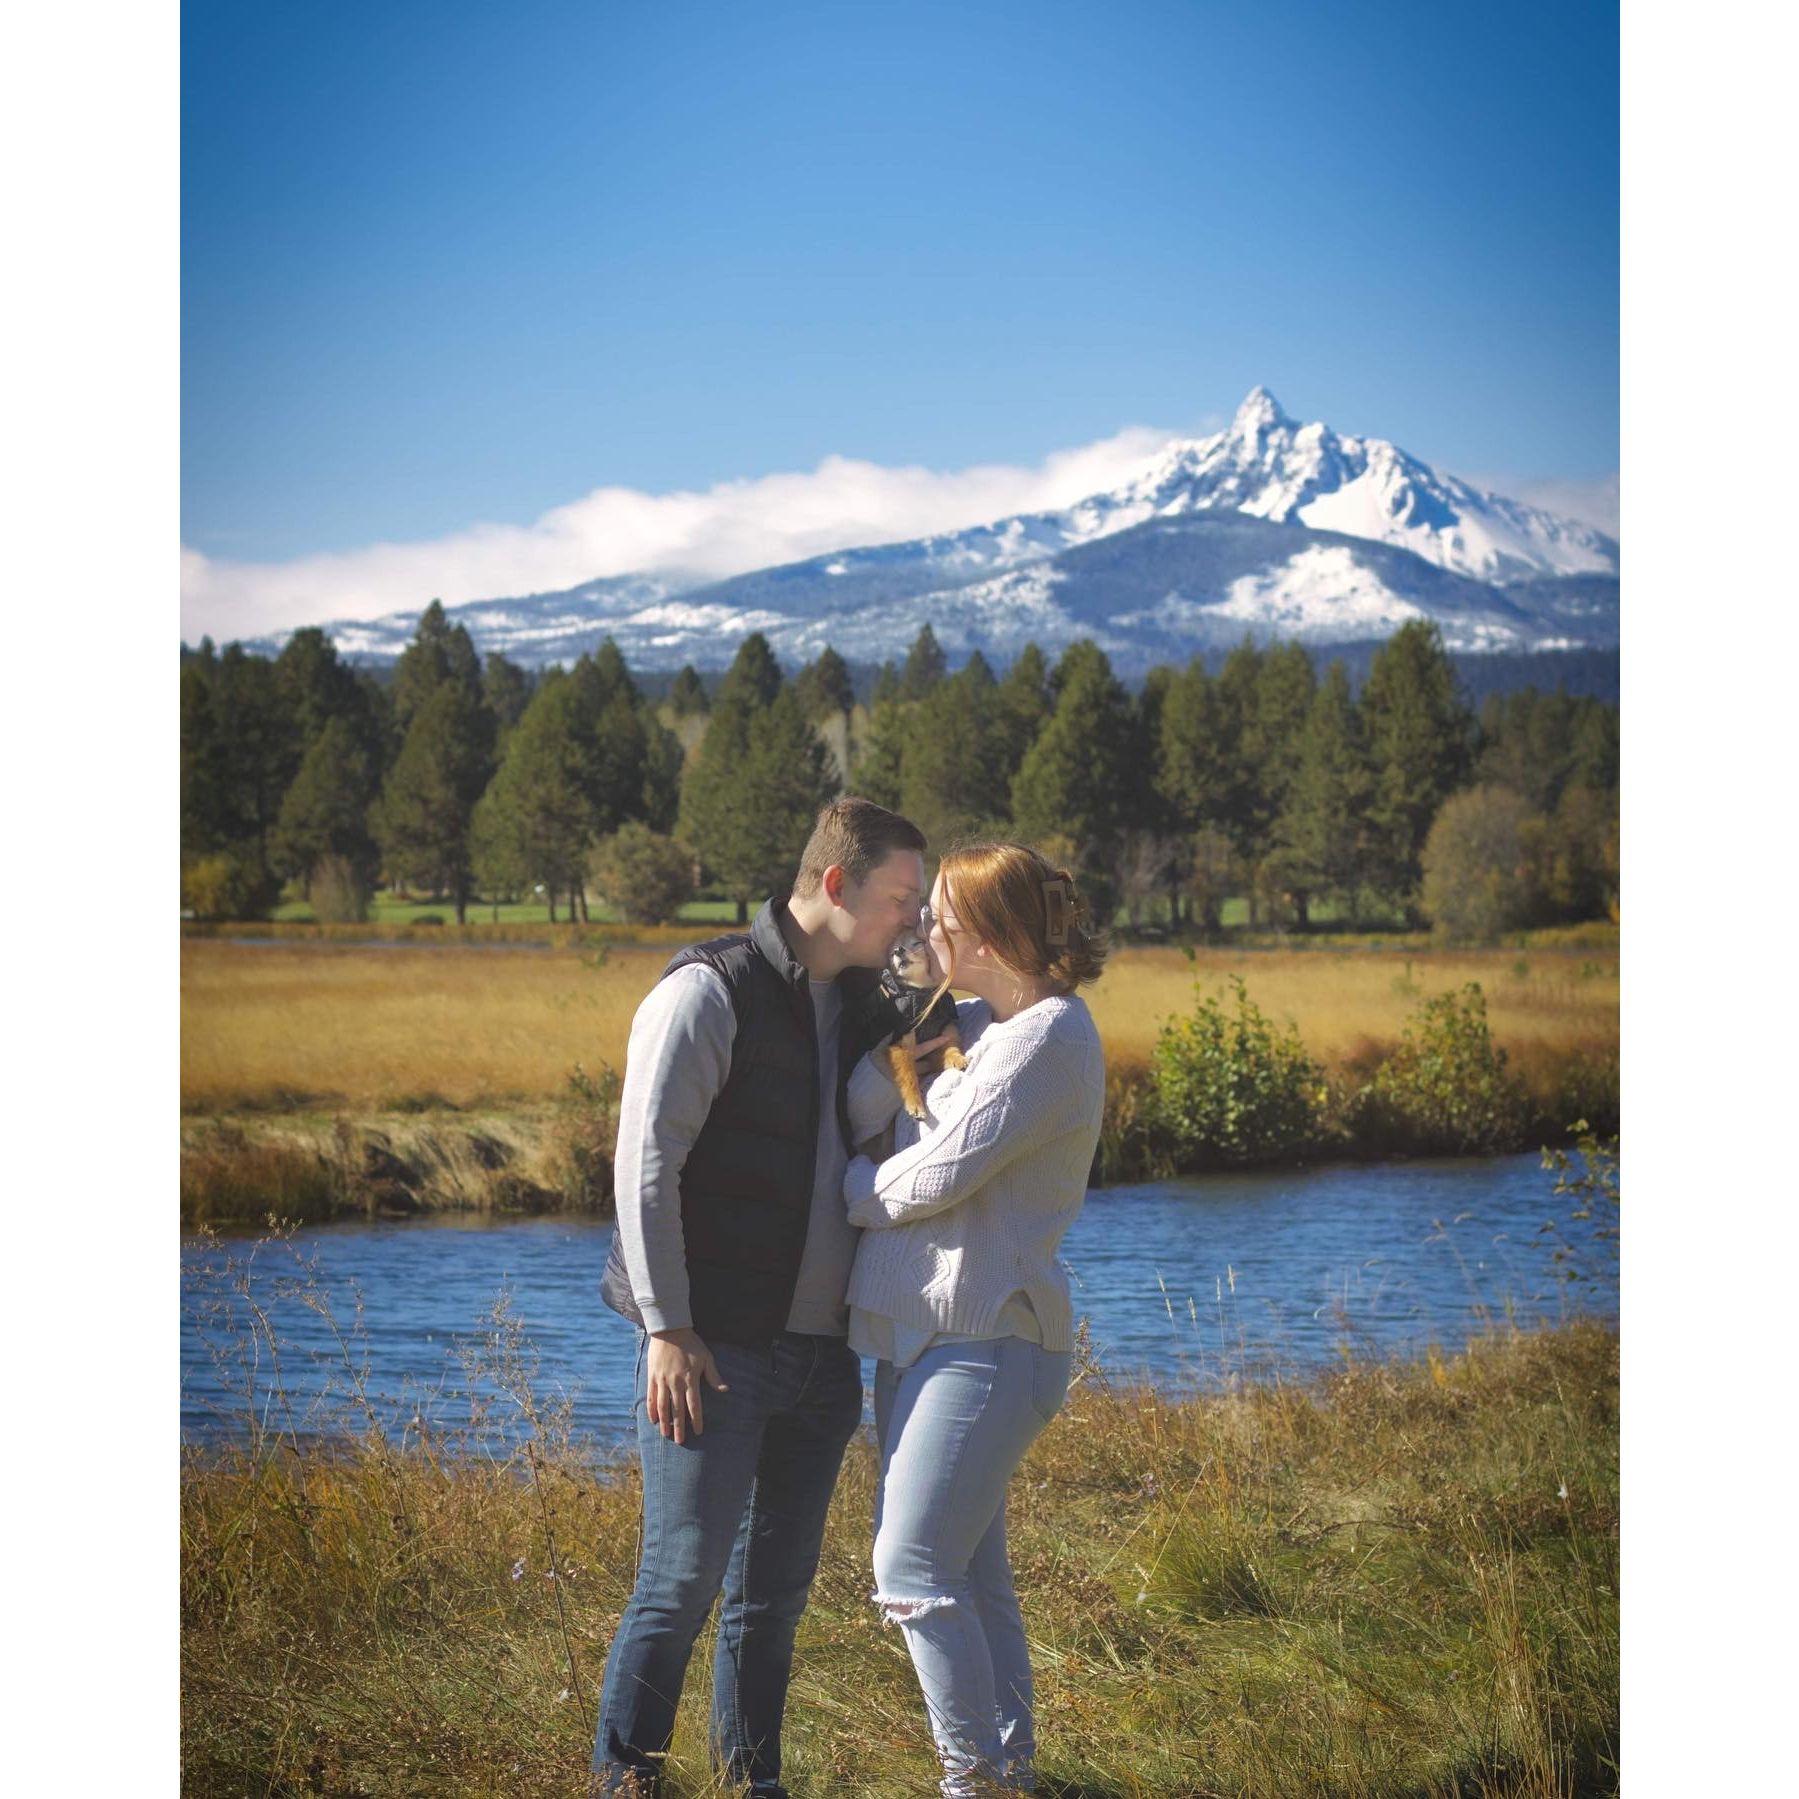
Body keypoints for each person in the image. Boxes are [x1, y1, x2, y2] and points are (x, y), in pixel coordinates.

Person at [591, 797, 928, 1798]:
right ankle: (625, 1780)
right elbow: (644, 1166)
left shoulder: (867, 1000)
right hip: (713, 1349)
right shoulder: (707, 992)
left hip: (822, 1357)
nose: (908, 919)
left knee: (771, 1599)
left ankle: (753, 1784)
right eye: (898, 898)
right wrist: (666, 1326)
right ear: (834, 885)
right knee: (679, 1582)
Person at [841, 842, 1109, 1797]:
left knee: (909, 1567)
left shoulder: (1048, 1037)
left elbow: (943, 1170)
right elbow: (863, 1098)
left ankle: (974, 1782)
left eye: (942, 917)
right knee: (972, 1579)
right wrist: (897, 1058)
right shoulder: (971, 1021)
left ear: (991, 934)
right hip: (920, 1338)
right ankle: (1012, 1776)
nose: (924, 931)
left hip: (993, 1338)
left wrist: (848, 1190)